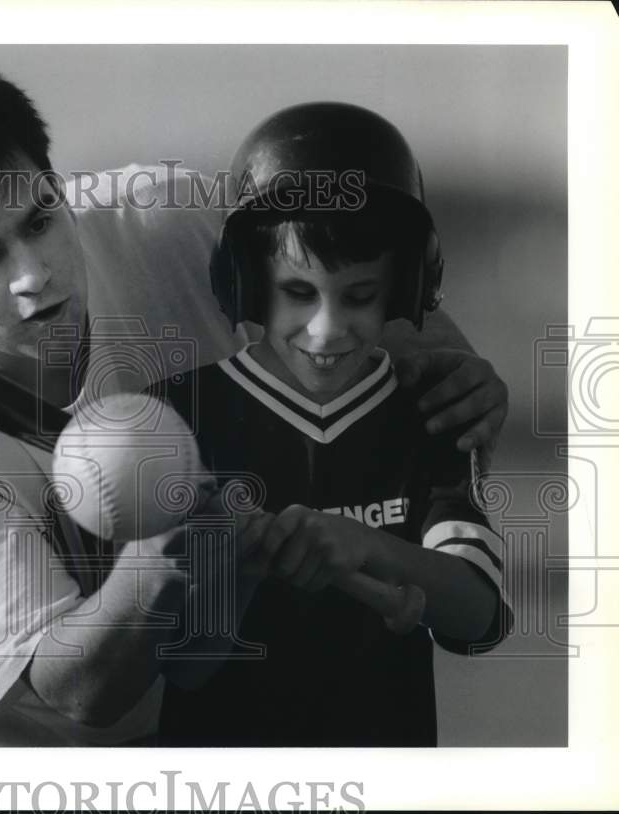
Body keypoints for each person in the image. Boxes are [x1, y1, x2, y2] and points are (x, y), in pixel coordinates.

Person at [0, 58, 509, 746]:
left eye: (40, 221)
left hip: (185, 707)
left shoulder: (171, 221)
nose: (32, 275)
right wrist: (161, 553)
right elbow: (77, 692)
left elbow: (348, 266)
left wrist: (450, 367)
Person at [156, 102, 513, 746]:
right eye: (298, 292)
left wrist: (368, 548)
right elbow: (184, 666)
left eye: (359, 295)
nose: (326, 329)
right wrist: (233, 563)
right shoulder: (175, 417)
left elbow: (477, 616)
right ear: (246, 282)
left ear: (407, 287)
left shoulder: (427, 415)